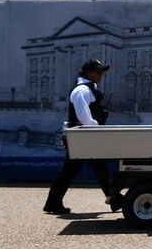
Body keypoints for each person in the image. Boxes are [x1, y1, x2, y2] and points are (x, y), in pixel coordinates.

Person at [43, 59, 124, 216]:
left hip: (85, 136)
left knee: (94, 169)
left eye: (101, 72)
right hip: (84, 136)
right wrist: (94, 128)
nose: (101, 75)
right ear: (88, 72)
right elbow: (83, 115)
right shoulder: (82, 90)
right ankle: (115, 200)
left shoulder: (88, 89)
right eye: (98, 71)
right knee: (88, 170)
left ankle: (114, 200)